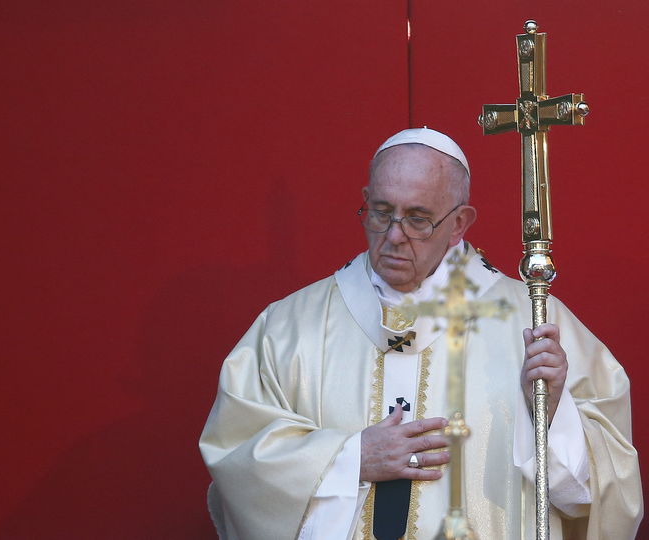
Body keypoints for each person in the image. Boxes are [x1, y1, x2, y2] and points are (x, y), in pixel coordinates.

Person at [199, 128, 642, 539]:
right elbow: (237, 458)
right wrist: (349, 458)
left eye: (418, 218)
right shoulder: (288, 328)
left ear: (460, 223)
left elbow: (608, 489)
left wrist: (550, 412)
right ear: (365, 200)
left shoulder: (535, 323)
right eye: (381, 212)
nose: (394, 235)